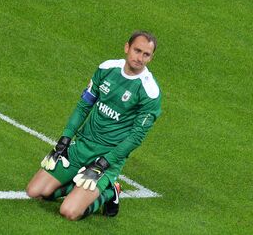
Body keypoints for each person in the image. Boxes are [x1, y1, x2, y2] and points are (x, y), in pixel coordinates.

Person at [26, 31, 162, 220]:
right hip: (82, 145)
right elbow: (84, 105)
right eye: (137, 50)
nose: (140, 58)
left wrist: (105, 162)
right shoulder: (107, 69)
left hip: (107, 157)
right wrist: (65, 139)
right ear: (127, 48)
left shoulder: (149, 92)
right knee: (36, 192)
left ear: (151, 57)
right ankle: (77, 185)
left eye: (146, 54)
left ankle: (109, 192)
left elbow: (136, 137)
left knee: (69, 211)